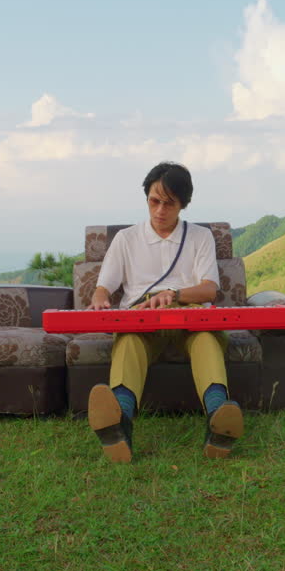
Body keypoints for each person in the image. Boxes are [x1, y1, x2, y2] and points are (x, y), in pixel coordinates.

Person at [87, 162, 242, 463]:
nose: (160, 210)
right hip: (142, 318)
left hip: (190, 316)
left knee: (206, 340)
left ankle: (219, 423)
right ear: (147, 198)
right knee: (129, 341)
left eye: (169, 203)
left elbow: (209, 289)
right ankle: (119, 426)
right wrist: (100, 299)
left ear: (183, 204)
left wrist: (175, 294)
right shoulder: (126, 239)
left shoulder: (200, 237)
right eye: (154, 201)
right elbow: (103, 287)